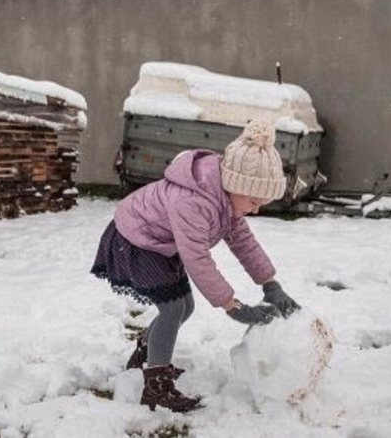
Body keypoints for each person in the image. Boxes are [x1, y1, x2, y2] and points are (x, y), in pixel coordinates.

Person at [91, 120, 300, 413]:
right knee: (173, 308)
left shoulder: (226, 198)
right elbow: (197, 258)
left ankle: (147, 353)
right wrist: (233, 306)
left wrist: (271, 285)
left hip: (159, 243)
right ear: (236, 185)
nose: (256, 209)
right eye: (254, 201)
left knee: (184, 308)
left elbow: (244, 243)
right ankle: (156, 387)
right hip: (136, 240)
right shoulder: (194, 201)